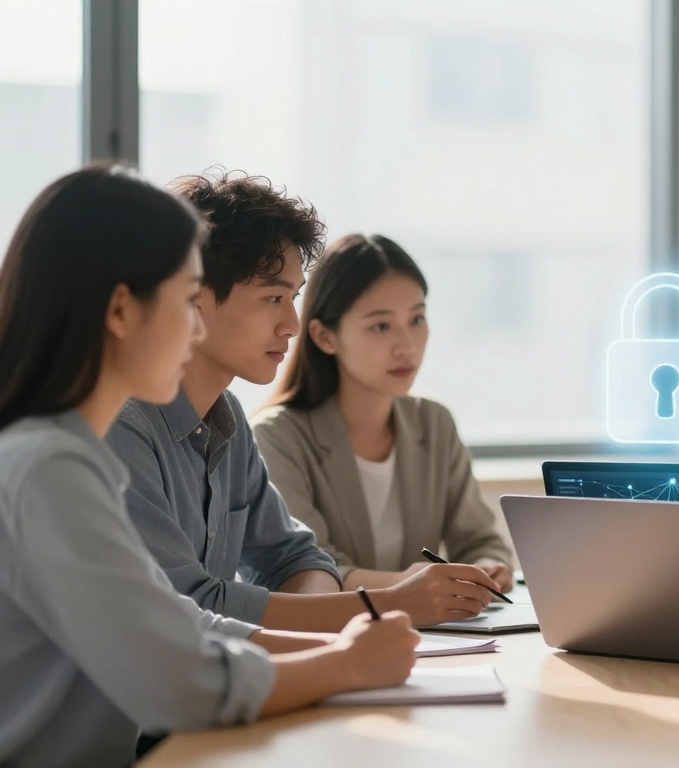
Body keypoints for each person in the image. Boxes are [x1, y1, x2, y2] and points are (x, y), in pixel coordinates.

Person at [0, 165, 418, 767]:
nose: (194, 327)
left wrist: (336, 644)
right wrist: (348, 663)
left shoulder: (63, 455)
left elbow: (174, 619)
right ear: (122, 311)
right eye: (184, 300)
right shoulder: (49, 468)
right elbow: (179, 683)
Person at [106, 170, 499, 632]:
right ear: (195, 295)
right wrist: (384, 606)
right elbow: (186, 608)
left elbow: (295, 557)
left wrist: (320, 623)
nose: (291, 324)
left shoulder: (226, 416)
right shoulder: (122, 426)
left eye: (293, 297)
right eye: (273, 297)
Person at [252, 233, 515, 591]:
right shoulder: (276, 436)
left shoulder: (434, 423)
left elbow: (480, 540)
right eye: (381, 326)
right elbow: (303, 569)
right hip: (334, 635)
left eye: (417, 320)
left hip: (438, 636)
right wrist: (404, 587)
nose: (407, 346)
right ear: (324, 336)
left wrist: (487, 566)